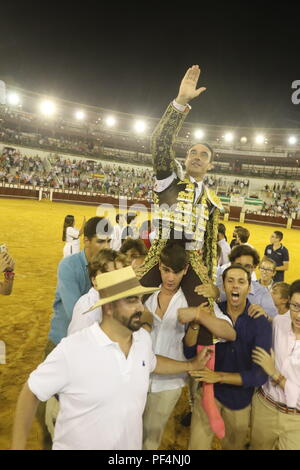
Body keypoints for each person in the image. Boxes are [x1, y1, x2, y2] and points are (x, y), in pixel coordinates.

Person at [11, 267, 212, 450]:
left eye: (139, 300)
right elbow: (32, 392)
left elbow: (151, 362)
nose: (140, 308)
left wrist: (190, 364)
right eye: (131, 301)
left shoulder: (141, 339)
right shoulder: (74, 348)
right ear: (109, 308)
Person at [142, 242, 235, 450]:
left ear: (185, 270)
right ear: (159, 266)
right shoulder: (146, 295)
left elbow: (229, 331)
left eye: (176, 272)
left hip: (168, 383)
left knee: (150, 440)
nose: (170, 278)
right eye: (166, 270)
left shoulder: (193, 301)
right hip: (137, 377)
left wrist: (198, 315)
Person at [186, 265, 272, 450]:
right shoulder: (211, 313)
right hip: (208, 395)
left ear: (249, 288)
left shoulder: (259, 322)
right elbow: (189, 353)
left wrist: (219, 376)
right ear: (223, 286)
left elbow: (259, 375)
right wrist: (195, 324)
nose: (235, 286)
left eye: (241, 282)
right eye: (230, 281)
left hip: (239, 402)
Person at [251, 280, 300, 450]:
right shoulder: (279, 322)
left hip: (296, 422)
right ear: (289, 302)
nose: (298, 315)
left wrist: (274, 374)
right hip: (265, 407)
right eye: (296, 306)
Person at [67, 249, 129, 336]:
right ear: (94, 280)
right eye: (108, 275)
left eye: (119, 274)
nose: (115, 280)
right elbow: (75, 345)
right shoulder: (87, 309)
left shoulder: (124, 300)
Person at [216, 245, 278, 319]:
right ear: (231, 264)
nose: (242, 269)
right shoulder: (219, 288)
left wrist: (266, 316)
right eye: (238, 265)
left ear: (254, 267)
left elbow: (275, 320)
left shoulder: (262, 293)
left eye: (247, 266)